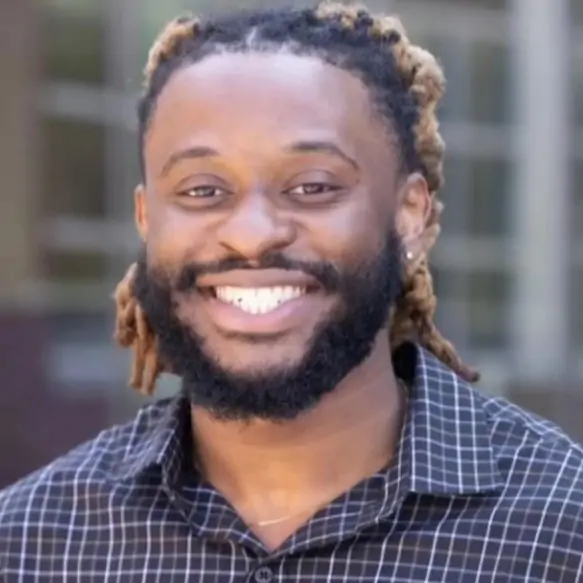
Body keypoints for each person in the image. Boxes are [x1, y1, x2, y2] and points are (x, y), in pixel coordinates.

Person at [1, 2, 582, 581]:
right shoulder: (28, 542)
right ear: (146, 219)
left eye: (313, 186)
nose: (253, 235)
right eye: (202, 190)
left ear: (408, 214)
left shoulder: (563, 529)